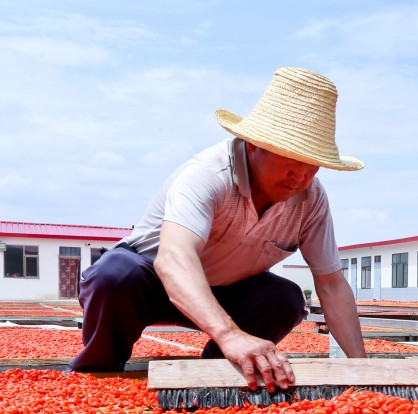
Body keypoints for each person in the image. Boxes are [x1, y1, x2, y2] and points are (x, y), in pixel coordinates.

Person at [70, 67, 368, 391]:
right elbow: (173, 259)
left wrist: (363, 368)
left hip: (226, 292)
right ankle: (98, 374)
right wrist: (230, 334)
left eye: (312, 166)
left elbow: (331, 284)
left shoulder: (310, 200)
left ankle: (219, 376)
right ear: (254, 144)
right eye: (290, 160)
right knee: (114, 274)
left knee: (286, 298)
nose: (300, 176)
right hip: (147, 284)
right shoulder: (210, 175)